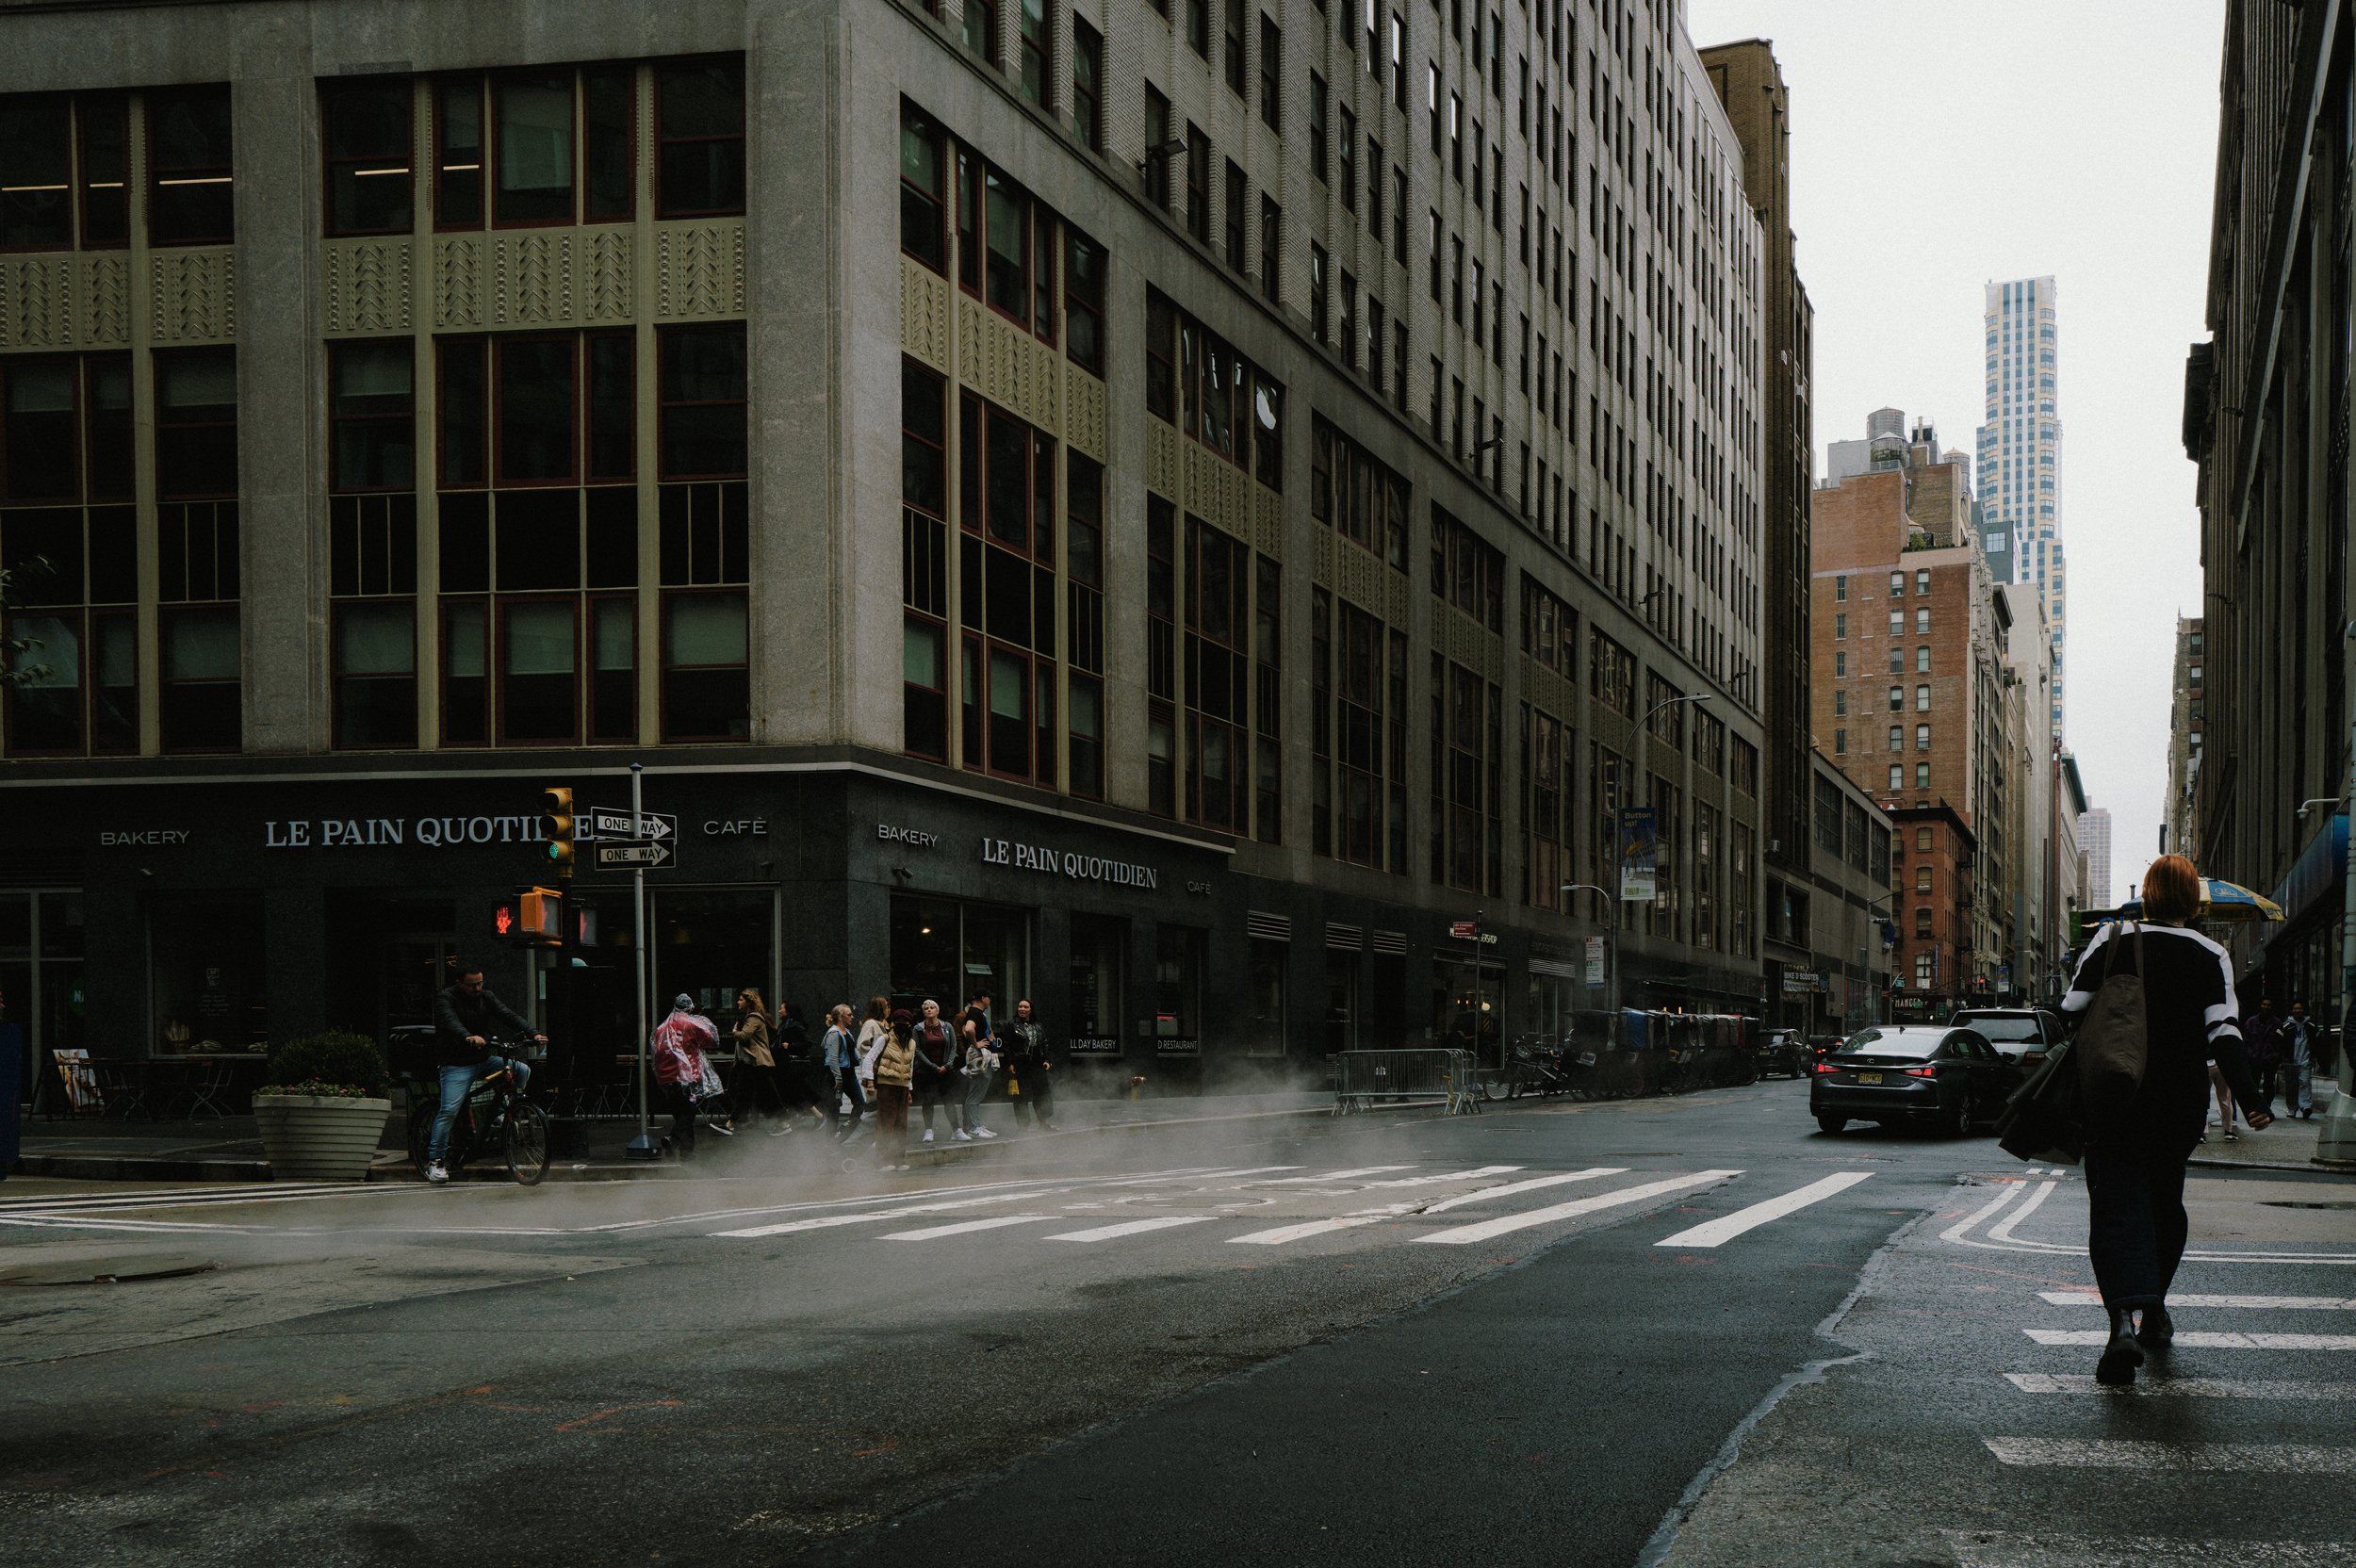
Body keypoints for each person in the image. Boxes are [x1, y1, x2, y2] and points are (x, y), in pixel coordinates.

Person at [2060, 855, 2271, 1387]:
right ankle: (2156, 1311)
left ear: (2148, 895)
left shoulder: (2111, 939)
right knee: (2163, 1204)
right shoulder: (2211, 953)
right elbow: (2224, 1032)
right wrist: (2249, 1098)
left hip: (2114, 1091)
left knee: (2114, 1207)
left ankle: (2121, 1326)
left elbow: (2070, 1007)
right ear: (2194, 903)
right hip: (2178, 1101)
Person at [426, 963, 546, 1184]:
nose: (478, 988)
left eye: (480, 983)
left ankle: (505, 1111)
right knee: (449, 1110)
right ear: (459, 983)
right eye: (472, 985)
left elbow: (507, 1014)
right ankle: (436, 1161)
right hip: (456, 1064)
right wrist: (467, 1036)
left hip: (483, 1059)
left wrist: (533, 1033)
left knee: (521, 1070)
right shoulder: (445, 998)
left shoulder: (486, 997)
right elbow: (449, 1020)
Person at [651, 995, 717, 1162]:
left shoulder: (661, 1028)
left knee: (681, 1112)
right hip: (686, 1076)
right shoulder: (691, 1024)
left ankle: (687, 1151)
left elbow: (655, 1052)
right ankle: (673, 1139)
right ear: (689, 1008)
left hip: (666, 1077)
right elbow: (712, 1041)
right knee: (689, 1112)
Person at [728, 988, 786, 1135]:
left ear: (748, 1002)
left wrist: (734, 1031)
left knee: (768, 1094)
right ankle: (730, 1123)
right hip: (753, 1062)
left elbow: (744, 1036)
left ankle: (784, 1123)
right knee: (745, 1093)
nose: (738, 1002)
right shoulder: (751, 1017)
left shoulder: (754, 1018)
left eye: (741, 1000)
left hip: (758, 1062)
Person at [865, 1008, 916, 1171]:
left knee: (901, 1124)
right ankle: (883, 1161)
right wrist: (870, 1083)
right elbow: (869, 1058)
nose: (903, 1026)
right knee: (885, 1123)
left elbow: (911, 1066)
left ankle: (899, 1160)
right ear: (893, 1024)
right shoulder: (885, 1039)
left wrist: (909, 1089)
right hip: (887, 1085)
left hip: (902, 1086)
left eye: (906, 1023)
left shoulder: (912, 1043)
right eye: (899, 1022)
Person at [1001, 998, 1059, 1132]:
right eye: (1020, 1006)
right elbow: (1007, 1046)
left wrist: (1046, 1060)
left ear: (1030, 1010)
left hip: (1037, 1064)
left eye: (1025, 1007)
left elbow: (1044, 1043)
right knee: (1020, 1096)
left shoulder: (1038, 1025)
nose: (1022, 1009)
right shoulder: (1012, 1025)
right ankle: (1023, 1126)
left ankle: (1044, 1123)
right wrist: (1010, 1063)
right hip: (1020, 1064)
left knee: (1042, 1093)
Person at [909, 999, 959, 1142]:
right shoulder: (918, 1029)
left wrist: (947, 1065)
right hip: (927, 1071)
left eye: (932, 1008)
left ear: (937, 1011)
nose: (929, 1010)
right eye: (926, 1008)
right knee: (928, 1100)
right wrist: (932, 1066)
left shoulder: (947, 1026)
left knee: (949, 1100)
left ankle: (956, 1130)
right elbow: (917, 1049)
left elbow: (953, 1048)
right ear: (923, 1012)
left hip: (945, 1070)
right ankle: (929, 1131)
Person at [956, 989, 1000, 1141]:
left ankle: (977, 1125)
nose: (990, 1001)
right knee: (975, 1093)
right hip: (980, 1058)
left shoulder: (976, 1013)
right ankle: (974, 1127)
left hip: (983, 1057)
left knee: (978, 1092)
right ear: (983, 998)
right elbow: (968, 1029)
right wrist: (976, 1044)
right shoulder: (975, 1012)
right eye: (989, 998)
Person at [821, 1004, 866, 1141]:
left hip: (849, 1073)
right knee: (834, 1108)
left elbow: (852, 1050)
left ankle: (841, 1134)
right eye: (849, 1014)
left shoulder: (847, 1032)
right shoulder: (834, 1033)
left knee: (859, 1103)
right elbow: (832, 1058)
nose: (852, 1017)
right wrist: (838, 1079)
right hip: (837, 1075)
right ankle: (829, 1141)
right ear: (841, 1017)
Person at [2242, 997, 2281, 1119]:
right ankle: (2256, 1106)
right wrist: (2250, 1054)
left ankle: (2267, 1105)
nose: (2266, 1007)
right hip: (2255, 1058)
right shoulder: (2251, 1022)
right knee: (2254, 1083)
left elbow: (2280, 1042)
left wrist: (2275, 1055)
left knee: (2269, 1083)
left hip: (2269, 1059)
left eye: (2268, 1005)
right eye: (2264, 1004)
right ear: (2260, 1005)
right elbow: (2246, 1040)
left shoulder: (2277, 1023)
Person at [2280, 1001, 2315, 1119]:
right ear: (2291, 1010)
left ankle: (2305, 1107)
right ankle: (2292, 1109)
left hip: (2305, 1060)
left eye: (2299, 1008)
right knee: (2291, 1085)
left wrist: (2314, 1057)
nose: (2297, 1011)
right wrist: (2281, 1059)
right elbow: (2279, 1044)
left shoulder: (2310, 1026)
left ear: (2303, 1010)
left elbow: (2317, 1043)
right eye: (2295, 1008)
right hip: (2290, 1061)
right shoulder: (2286, 1026)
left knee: (2305, 1083)